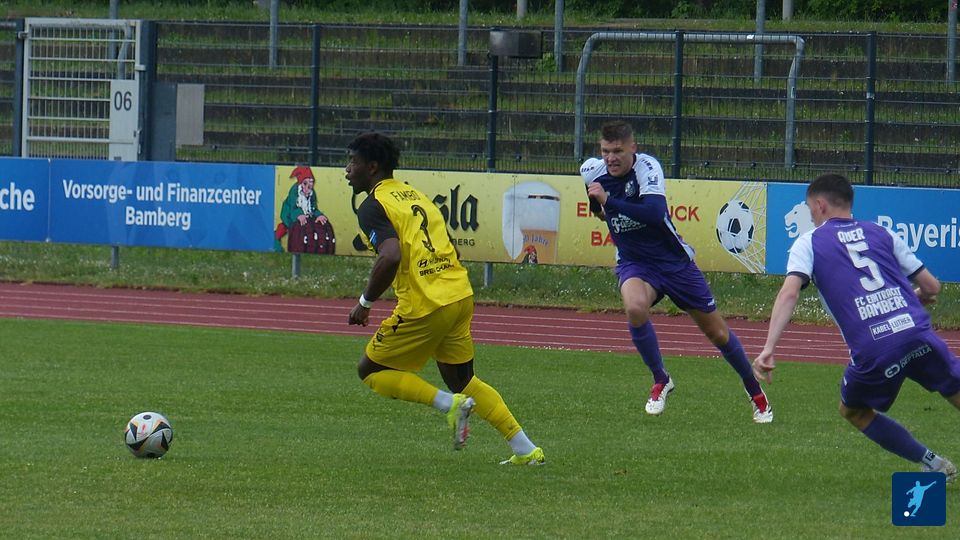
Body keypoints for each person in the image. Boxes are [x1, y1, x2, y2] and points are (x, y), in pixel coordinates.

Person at [344, 131, 545, 465]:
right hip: (458, 294)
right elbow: (449, 244)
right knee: (463, 380)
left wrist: (364, 303)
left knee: (370, 371)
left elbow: (390, 256)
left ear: (373, 166)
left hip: (426, 303)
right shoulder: (415, 195)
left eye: (353, 162)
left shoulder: (372, 205)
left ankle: (449, 405)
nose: (347, 170)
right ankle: (527, 450)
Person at [753, 173, 959, 480]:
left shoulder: (809, 242)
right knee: (954, 388)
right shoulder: (881, 231)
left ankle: (934, 463)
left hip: (876, 346)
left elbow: (790, 293)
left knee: (853, 411)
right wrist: (913, 299)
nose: (811, 215)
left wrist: (769, 348)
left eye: (810, 209)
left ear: (820, 205)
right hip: (916, 330)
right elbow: (932, 287)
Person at [581, 120, 772, 422]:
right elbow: (599, 209)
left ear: (633, 148)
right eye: (605, 151)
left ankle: (755, 392)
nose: (610, 158)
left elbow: (655, 213)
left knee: (717, 333)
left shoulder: (647, 168)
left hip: (673, 262)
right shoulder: (591, 171)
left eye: (617, 151)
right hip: (635, 262)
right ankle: (661, 379)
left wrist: (609, 201)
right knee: (634, 307)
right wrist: (601, 208)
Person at [275, 165, 329, 252]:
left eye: (311, 182)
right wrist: (299, 214)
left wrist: (319, 215)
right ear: (301, 184)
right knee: (283, 229)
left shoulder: (312, 194)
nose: (309, 186)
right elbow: (293, 208)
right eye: (305, 183)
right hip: (288, 215)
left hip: (306, 218)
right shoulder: (294, 191)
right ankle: (277, 247)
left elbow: (313, 208)